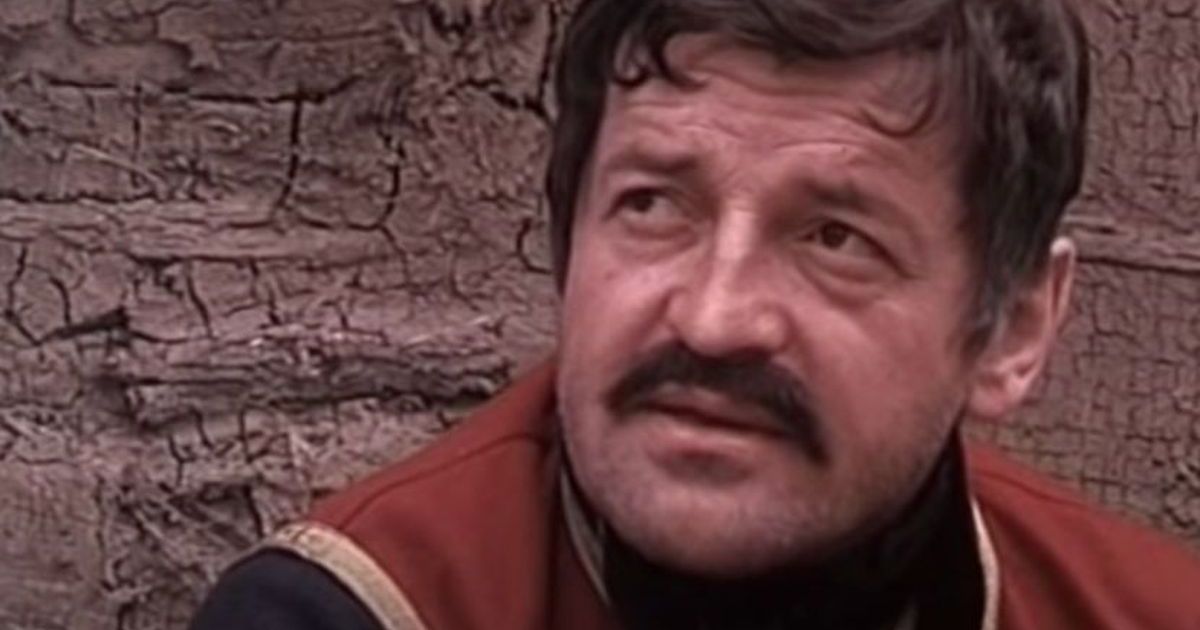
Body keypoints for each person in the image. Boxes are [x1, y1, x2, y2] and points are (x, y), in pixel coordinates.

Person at [190, 0, 1200, 628]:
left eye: (835, 237)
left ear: (1013, 329)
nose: (716, 321)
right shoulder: (354, 614)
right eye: (654, 205)